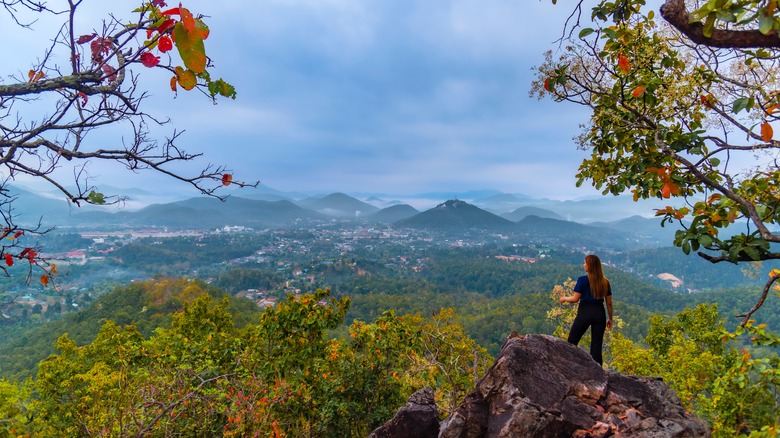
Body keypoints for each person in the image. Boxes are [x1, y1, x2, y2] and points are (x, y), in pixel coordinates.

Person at [559, 254, 613, 366]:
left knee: (572, 341)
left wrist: (564, 298)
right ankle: (597, 372)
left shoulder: (582, 280)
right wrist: (610, 318)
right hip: (599, 313)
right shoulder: (605, 282)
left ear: (590, 266)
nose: (584, 265)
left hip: (585, 312)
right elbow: (609, 303)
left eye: (585, 263)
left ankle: (568, 365)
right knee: (596, 346)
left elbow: (575, 299)